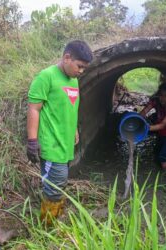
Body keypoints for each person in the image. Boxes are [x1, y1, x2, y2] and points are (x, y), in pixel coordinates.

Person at [26, 40, 93, 225]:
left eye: (84, 69)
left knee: (59, 184)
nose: (81, 71)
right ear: (67, 57)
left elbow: (71, 107)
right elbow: (34, 109)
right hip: (51, 145)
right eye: (79, 66)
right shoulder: (46, 76)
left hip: (65, 144)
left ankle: (55, 218)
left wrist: (75, 130)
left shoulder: (74, 80)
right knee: (54, 187)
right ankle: (46, 227)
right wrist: (32, 141)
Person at [140, 82, 166, 170]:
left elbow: (163, 125)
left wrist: (146, 128)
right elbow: (145, 111)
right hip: (161, 134)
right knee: (156, 153)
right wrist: (138, 119)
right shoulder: (156, 101)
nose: (163, 98)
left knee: (162, 156)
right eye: (161, 95)